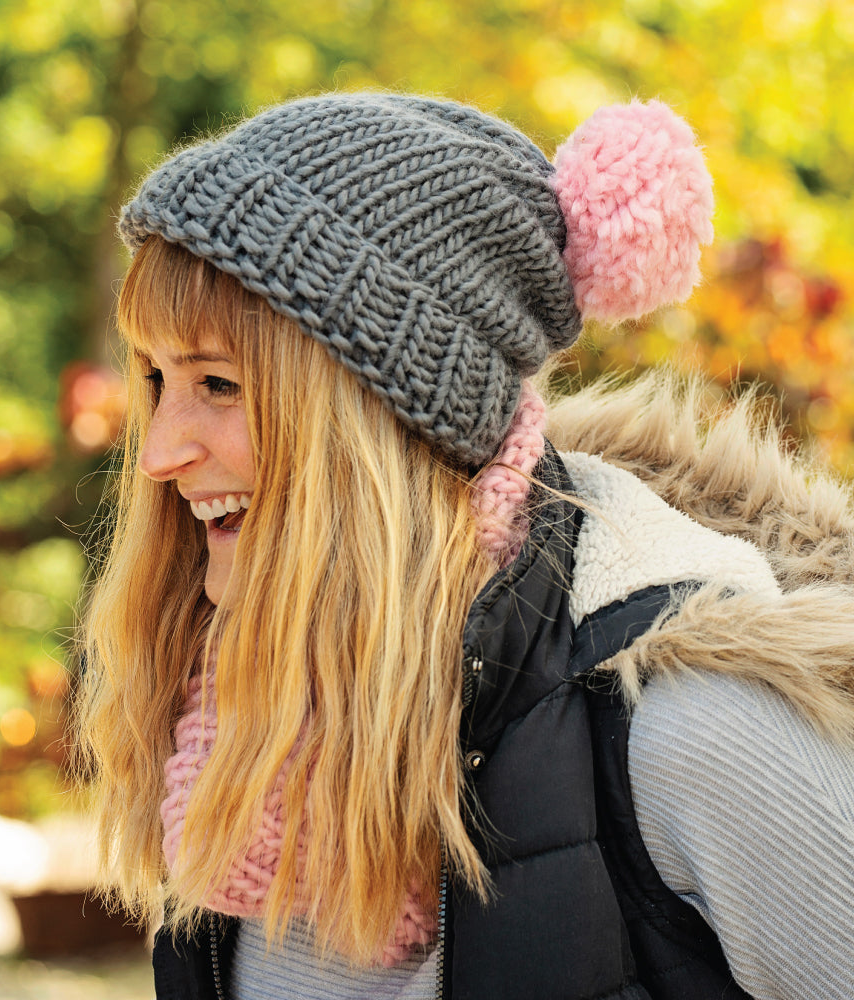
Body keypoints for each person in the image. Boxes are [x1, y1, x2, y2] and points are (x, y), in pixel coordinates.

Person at [75, 92, 854, 999]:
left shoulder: (693, 728)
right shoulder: (222, 742)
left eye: (218, 383)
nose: (162, 452)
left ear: (387, 424)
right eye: (156, 379)